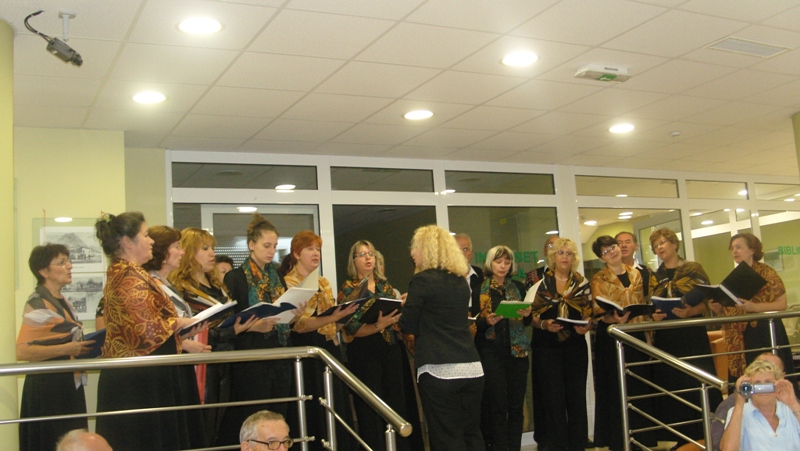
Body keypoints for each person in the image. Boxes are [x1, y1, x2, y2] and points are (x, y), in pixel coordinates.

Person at [94, 211, 207, 450]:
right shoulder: (128, 277)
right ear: (127, 242)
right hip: (137, 382)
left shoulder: (129, 273)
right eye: (145, 235)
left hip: (139, 376)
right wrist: (178, 323)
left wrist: (177, 326)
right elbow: (147, 331)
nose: (151, 241)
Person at [399, 225, 484, 451]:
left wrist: (409, 304)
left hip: (438, 368)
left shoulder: (421, 280)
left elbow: (407, 325)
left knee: (446, 437)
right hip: (472, 367)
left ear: (426, 250)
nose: (412, 253)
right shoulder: (460, 281)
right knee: (471, 434)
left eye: (415, 247)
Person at [217, 213, 299, 446]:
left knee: (278, 415)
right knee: (253, 419)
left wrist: (293, 313)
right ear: (251, 245)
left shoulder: (277, 276)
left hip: (279, 355)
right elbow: (226, 324)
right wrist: (254, 326)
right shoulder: (235, 278)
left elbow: (282, 315)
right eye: (266, 245)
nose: (271, 251)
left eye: (274, 246)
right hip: (251, 358)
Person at [278, 230, 358, 450]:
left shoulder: (323, 282)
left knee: (335, 405)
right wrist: (333, 317)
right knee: (312, 407)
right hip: (306, 352)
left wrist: (348, 313)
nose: (316, 253)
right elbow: (298, 326)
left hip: (330, 347)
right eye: (310, 249)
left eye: (318, 249)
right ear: (296, 254)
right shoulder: (288, 283)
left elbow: (332, 323)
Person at [649, 227, 722, 446]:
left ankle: (704, 434)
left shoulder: (693, 269)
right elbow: (650, 302)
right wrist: (655, 315)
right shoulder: (655, 276)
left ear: (674, 244)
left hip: (691, 335)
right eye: (655, 245)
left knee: (695, 380)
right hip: (667, 337)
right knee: (672, 384)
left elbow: (708, 300)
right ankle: (678, 439)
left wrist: (691, 311)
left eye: (663, 243)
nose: (659, 248)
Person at [16, 244, 93, 451]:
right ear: (43, 271)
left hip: (67, 383)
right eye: (61, 262)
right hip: (47, 387)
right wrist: (67, 349)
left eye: (68, 261)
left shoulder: (63, 302)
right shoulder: (38, 303)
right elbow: (22, 351)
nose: (69, 266)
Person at [339, 239, 409, 451]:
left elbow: (393, 317)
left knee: (395, 403)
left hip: (389, 349)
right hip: (363, 352)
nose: (368, 258)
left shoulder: (384, 286)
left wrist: (398, 313)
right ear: (353, 261)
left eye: (371, 254)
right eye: (362, 254)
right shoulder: (349, 289)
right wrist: (378, 325)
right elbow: (349, 329)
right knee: (369, 408)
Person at [590, 235, 654, 451]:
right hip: (611, 335)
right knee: (615, 388)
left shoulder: (636, 273)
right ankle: (618, 440)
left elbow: (642, 303)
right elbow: (598, 310)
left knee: (637, 384)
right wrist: (613, 318)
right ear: (601, 258)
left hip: (635, 333)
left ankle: (641, 439)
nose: (612, 252)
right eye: (606, 251)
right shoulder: (599, 278)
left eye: (613, 247)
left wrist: (647, 333)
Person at [530, 238, 592, 451]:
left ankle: (578, 444)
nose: (565, 257)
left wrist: (587, 326)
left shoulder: (582, 283)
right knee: (553, 399)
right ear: (552, 257)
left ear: (574, 258)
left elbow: (588, 313)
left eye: (569, 253)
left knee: (576, 397)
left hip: (575, 346)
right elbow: (531, 316)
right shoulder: (540, 284)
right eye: (560, 253)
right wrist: (544, 324)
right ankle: (556, 445)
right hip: (547, 347)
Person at [709, 233, 795, 387]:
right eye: (733, 248)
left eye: (739, 247)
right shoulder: (734, 277)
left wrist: (755, 307)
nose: (735, 251)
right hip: (740, 335)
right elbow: (732, 306)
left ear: (752, 250)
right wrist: (719, 309)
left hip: (764, 331)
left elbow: (782, 304)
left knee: (765, 372)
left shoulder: (767, 273)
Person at [475, 245, 531, 451]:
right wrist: (486, 321)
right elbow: (473, 324)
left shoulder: (518, 287)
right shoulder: (480, 289)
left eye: (507, 262)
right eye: (498, 262)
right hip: (491, 353)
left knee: (516, 406)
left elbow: (527, 322)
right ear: (490, 263)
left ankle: (514, 447)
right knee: (497, 406)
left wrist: (527, 315)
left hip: (518, 352)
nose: (503, 266)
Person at [711, 352, 790, 451]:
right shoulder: (735, 409)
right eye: (757, 383)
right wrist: (739, 403)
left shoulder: (790, 409)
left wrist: (792, 403)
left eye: (768, 383)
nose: (762, 389)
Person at [525, 234, 559, 451]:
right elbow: (528, 310)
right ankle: (545, 440)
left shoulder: (574, 278)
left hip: (568, 340)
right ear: (545, 251)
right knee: (544, 392)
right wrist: (543, 324)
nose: (555, 250)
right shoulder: (534, 276)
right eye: (550, 246)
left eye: (559, 246)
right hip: (542, 340)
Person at [454, 233, 484, 316]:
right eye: (457, 250)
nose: (462, 253)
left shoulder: (479, 273)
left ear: (472, 252)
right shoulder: (445, 276)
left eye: (465, 249)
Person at [616, 231, 651, 296]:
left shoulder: (646, 271)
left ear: (636, 247)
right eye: (619, 243)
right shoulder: (609, 274)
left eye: (628, 242)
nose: (624, 245)